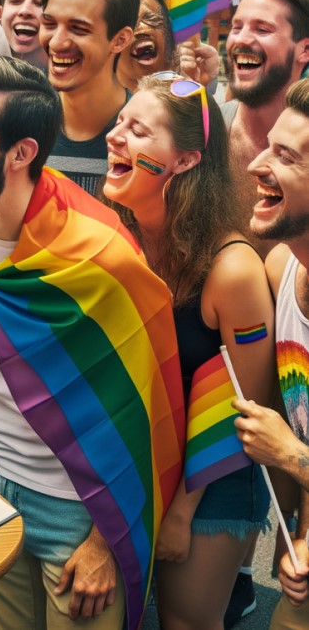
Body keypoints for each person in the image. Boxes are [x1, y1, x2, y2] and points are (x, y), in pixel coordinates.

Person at [0, 56, 184, 630]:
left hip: (79, 510)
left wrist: (105, 542)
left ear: (20, 154)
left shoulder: (103, 256)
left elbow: (141, 411)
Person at [102, 73, 274, 630]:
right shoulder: (119, 235)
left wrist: (180, 513)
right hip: (149, 462)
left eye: (138, 130)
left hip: (215, 479)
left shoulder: (233, 270)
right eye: (120, 122)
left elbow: (247, 408)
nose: (115, 136)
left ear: (184, 161)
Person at [231, 79, 309, 630]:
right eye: (269, 144)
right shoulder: (280, 269)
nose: (258, 163)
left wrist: (289, 454)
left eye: (285, 156)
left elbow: (290, 444)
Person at [222, 0, 309, 256]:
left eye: (262, 29)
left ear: (305, 50)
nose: (242, 39)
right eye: (237, 27)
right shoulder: (202, 134)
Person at [38, 0, 137, 195]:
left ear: (120, 39)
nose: (56, 42)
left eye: (78, 29)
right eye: (49, 24)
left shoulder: (145, 137)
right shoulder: (17, 120)